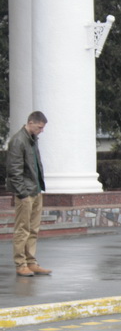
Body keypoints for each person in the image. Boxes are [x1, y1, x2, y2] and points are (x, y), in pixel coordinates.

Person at [6, 111, 51, 277]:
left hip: (36, 190)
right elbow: (14, 171)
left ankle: (31, 262)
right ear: (31, 122)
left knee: (33, 229)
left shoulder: (32, 140)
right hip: (26, 193)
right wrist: (23, 194)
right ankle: (20, 264)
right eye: (40, 127)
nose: (42, 130)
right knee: (22, 229)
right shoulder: (18, 141)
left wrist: (38, 189)